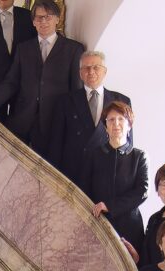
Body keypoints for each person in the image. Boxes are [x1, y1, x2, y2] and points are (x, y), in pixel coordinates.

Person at [0, 0, 84, 155]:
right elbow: (11, 82)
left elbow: (77, 90)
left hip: (56, 123)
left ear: (57, 19)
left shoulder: (73, 49)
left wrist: (75, 126)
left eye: (48, 17)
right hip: (22, 123)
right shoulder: (23, 48)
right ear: (33, 22)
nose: (43, 21)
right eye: (39, 18)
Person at [48, 50, 131, 188]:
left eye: (96, 67)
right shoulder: (65, 101)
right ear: (80, 73)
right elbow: (56, 143)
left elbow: (128, 144)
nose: (91, 72)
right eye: (86, 68)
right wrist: (54, 178)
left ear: (105, 72)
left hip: (108, 173)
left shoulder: (122, 100)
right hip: (73, 174)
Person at [85, 100, 148, 260]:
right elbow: (86, 188)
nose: (116, 124)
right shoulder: (94, 155)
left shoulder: (139, 157)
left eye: (121, 119)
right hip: (99, 224)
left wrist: (110, 206)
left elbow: (142, 192)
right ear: (105, 126)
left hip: (130, 226)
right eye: (111, 120)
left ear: (129, 125)